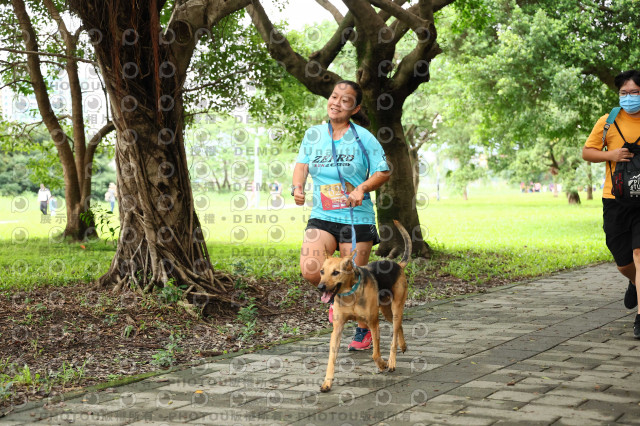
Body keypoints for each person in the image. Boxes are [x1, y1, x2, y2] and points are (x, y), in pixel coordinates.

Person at [292, 80, 391, 350]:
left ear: (355, 108)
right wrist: (297, 187)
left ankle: (363, 330)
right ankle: (335, 297)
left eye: (345, 100)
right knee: (312, 270)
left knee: (355, 276)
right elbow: (301, 166)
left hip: (355, 217)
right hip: (322, 215)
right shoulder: (313, 134)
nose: (336, 103)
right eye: (334, 97)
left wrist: (362, 188)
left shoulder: (364, 137)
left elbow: (383, 170)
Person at [582, 69, 640, 339]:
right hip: (614, 199)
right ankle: (633, 281)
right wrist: (612, 153)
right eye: (624, 93)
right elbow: (587, 152)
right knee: (623, 261)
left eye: (635, 92)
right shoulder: (607, 121)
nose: (629, 97)